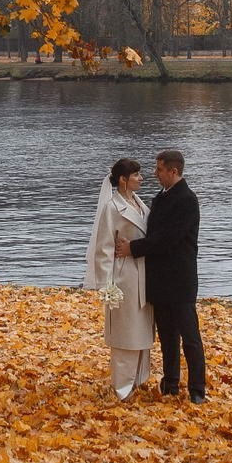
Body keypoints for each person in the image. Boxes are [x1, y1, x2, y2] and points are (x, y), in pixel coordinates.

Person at [123, 148, 204, 403]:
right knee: (168, 335)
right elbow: (152, 231)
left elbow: (169, 238)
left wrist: (133, 249)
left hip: (180, 279)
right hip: (159, 279)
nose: (155, 174)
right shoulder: (160, 197)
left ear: (174, 171)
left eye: (159, 169)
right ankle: (170, 383)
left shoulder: (187, 200)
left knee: (189, 337)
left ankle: (197, 390)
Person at [83, 157, 154, 399]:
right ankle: (122, 386)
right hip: (123, 277)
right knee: (126, 331)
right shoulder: (112, 208)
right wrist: (106, 286)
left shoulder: (140, 204)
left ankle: (138, 378)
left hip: (143, 274)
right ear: (123, 180)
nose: (141, 178)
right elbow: (103, 249)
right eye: (136, 175)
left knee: (142, 329)